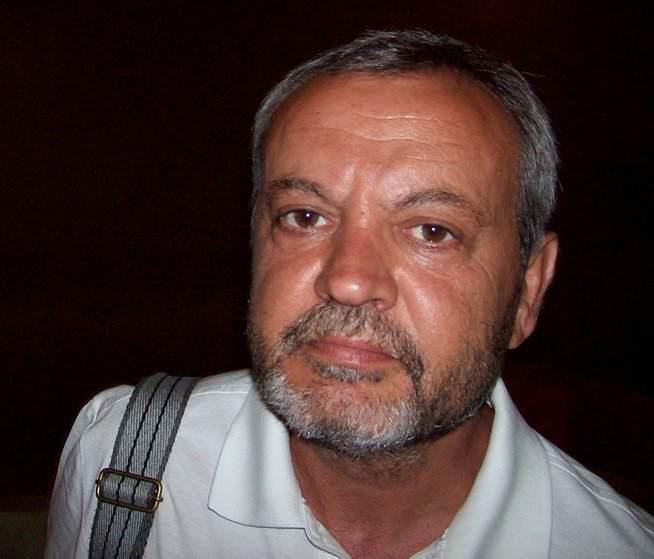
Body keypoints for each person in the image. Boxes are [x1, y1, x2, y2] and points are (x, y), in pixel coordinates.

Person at [46, 30, 654, 558]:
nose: (349, 279)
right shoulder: (124, 454)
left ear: (528, 288)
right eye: (305, 216)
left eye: (431, 231)